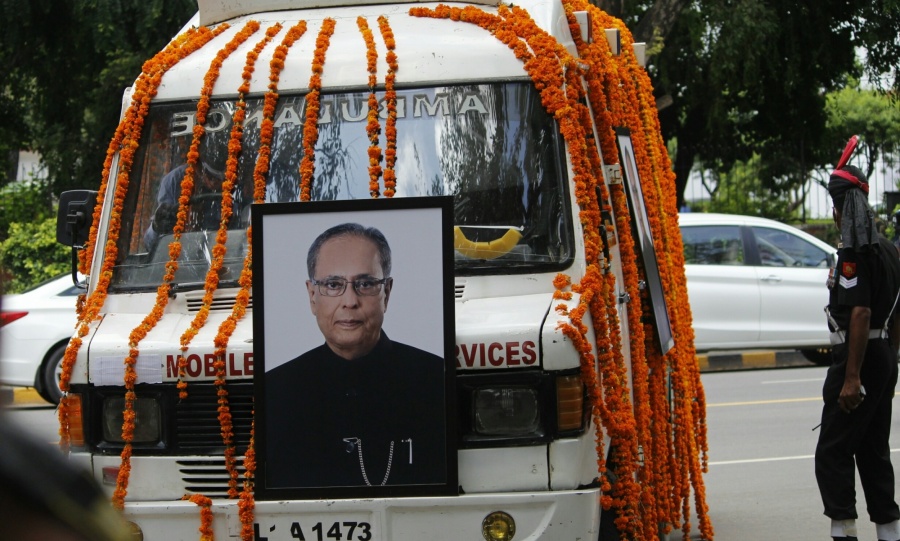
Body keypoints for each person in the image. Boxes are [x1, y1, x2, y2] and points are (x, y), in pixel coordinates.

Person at [264, 223, 447, 489]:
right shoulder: (275, 389)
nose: (350, 300)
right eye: (333, 284)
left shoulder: (435, 378)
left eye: (365, 283)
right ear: (312, 296)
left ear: (387, 293)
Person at [815, 158, 900, 541]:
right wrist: (890, 359)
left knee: (832, 453)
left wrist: (852, 377)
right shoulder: (888, 250)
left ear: (840, 208)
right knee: (873, 451)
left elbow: (861, 312)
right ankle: (889, 531)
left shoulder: (855, 253)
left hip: (858, 359)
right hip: (883, 357)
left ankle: (843, 533)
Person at [143, 159, 226, 250]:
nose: (213, 183)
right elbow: (152, 244)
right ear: (198, 167)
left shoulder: (231, 186)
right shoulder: (174, 181)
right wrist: (157, 226)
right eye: (210, 176)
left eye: (219, 179)